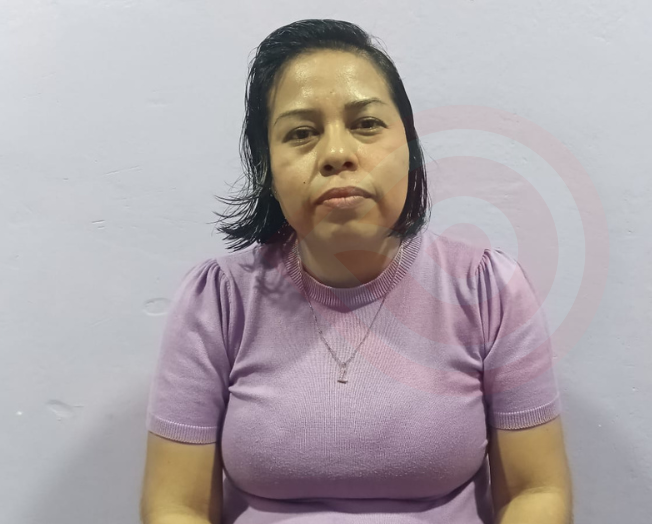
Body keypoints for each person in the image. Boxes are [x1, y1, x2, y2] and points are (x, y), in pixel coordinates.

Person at [139, 18, 572, 524]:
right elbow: (176, 505)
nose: (338, 154)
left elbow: (537, 491)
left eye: (366, 124)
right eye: (301, 133)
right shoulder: (217, 301)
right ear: (268, 167)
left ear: (408, 147)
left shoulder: (488, 291)